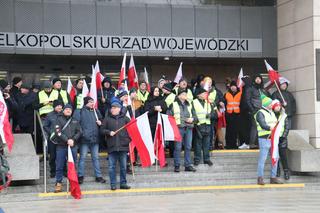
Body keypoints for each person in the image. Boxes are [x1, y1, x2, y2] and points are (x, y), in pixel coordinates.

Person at [100, 100, 131, 191]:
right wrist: (109, 132)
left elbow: (131, 131)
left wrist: (128, 140)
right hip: (112, 146)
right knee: (111, 167)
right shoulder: (107, 119)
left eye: (114, 108)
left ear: (119, 109)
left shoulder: (125, 119)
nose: (112, 109)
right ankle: (113, 184)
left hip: (123, 146)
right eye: (112, 108)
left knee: (123, 167)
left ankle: (123, 183)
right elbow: (101, 130)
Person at [75, 97, 106, 184]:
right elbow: (76, 124)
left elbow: (102, 121)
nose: (92, 103)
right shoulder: (80, 111)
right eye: (90, 102)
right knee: (82, 158)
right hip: (84, 139)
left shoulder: (96, 111)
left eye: (93, 102)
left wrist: (101, 123)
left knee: (95, 158)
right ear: (85, 103)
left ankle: (98, 176)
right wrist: (83, 134)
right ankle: (80, 176)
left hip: (95, 139)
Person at [53, 104, 82, 193]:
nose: (68, 111)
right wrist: (67, 140)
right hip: (61, 146)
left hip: (73, 146)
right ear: (63, 110)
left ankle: (72, 183)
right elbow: (58, 132)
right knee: (59, 166)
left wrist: (73, 139)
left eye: (70, 109)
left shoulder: (75, 120)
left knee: (72, 166)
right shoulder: (58, 119)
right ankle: (58, 183)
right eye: (67, 109)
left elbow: (80, 132)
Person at [255, 97, 282, 185]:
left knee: (275, 158)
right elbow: (263, 124)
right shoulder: (260, 113)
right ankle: (260, 178)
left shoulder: (272, 112)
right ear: (266, 104)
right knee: (262, 159)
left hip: (273, 138)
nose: (272, 105)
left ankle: (273, 178)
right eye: (270, 104)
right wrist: (271, 128)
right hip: (264, 138)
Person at [169, 88, 196, 173]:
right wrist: (185, 119)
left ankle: (187, 165)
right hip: (178, 128)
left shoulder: (190, 104)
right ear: (179, 95)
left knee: (188, 147)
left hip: (189, 128)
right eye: (183, 94)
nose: (185, 95)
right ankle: (177, 165)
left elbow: (195, 116)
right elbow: (169, 116)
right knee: (178, 147)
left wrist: (192, 119)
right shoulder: (173, 104)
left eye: (185, 94)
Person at [193, 87, 216, 166]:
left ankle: (207, 159)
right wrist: (196, 122)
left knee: (207, 144)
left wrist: (210, 115)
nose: (205, 94)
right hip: (198, 126)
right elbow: (192, 113)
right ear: (199, 95)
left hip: (207, 125)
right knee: (197, 144)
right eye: (204, 93)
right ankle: (197, 159)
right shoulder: (194, 102)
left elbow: (214, 114)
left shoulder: (208, 103)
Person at [43, 100, 64, 178]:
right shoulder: (49, 115)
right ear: (54, 106)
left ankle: (64, 170)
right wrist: (51, 133)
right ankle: (53, 171)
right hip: (52, 139)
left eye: (60, 105)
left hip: (62, 139)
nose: (59, 107)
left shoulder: (64, 114)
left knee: (63, 155)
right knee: (53, 156)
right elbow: (45, 126)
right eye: (58, 105)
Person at [272, 99, 290, 180]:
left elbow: (287, 127)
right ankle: (277, 170)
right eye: (276, 106)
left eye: (279, 106)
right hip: (274, 139)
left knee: (283, 156)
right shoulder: (271, 115)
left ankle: (286, 172)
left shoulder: (284, 116)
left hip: (282, 139)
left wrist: (283, 137)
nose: (278, 107)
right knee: (276, 156)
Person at [245, 74, 265, 149]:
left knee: (262, 126)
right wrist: (252, 109)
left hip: (263, 110)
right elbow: (247, 100)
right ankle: (252, 143)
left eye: (259, 78)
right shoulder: (250, 88)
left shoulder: (262, 89)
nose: (258, 80)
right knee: (255, 127)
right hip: (255, 110)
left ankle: (259, 143)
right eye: (256, 78)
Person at [224, 81, 242, 149]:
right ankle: (228, 144)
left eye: (234, 86)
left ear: (236, 87)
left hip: (237, 115)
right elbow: (224, 104)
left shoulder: (240, 94)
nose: (233, 87)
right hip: (229, 115)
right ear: (230, 87)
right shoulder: (226, 94)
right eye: (232, 86)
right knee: (229, 130)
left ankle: (234, 144)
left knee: (236, 130)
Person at [238, 76, 252, 149]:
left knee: (246, 128)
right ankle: (246, 143)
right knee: (245, 128)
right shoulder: (245, 89)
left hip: (246, 112)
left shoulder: (247, 89)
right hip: (245, 112)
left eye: (243, 81)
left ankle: (247, 143)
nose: (242, 83)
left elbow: (246, 101)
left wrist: (247, 110)